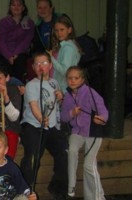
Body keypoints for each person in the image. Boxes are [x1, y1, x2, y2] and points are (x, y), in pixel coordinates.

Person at [20, 51, 68, 199]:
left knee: (63, 154)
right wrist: (41, 119)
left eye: (44, 63)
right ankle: (26, 190)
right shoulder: (31, 85)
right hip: (33, 125)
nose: (41, 66)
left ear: (51, 66)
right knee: (33, 157)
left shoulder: (54, 82)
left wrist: (60, 97)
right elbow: (34, 105)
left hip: (52, 126)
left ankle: (57, 188)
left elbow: (56, 104)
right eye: (37, 64)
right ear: (34, 67)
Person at [61, 66, 108, 200]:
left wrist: (101, 119)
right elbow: (64, 116)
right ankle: (71, 188)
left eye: (76, 78)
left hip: (93, 132)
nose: (73, 81)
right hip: (77, 132)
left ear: (82, 79)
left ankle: (98, 197)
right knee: (72, 151)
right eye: (70, 78)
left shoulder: (90, 92)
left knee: (88, 165)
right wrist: (72, 113)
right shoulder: (68, 95)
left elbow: (102, 110)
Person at [0, 0, 35, 83]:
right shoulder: (3, 22)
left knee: (20, 65)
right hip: (4, 54)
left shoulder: (29, 23)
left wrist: (15, 54)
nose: (16, 7)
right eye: (13, 5)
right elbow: (1, 41)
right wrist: (9, 56)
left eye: (19, 5)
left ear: (23, 7)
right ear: (10, 7)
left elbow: (26, 41)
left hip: (20, 54)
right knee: (3, 69)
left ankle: (18, 90)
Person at [49, 14, 81, 93]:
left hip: (64, 89)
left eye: (62, 29)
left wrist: (51, 58)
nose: (59, 33)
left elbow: (65, 71)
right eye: (56, 30)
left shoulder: (68, 48)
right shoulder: (68, 45)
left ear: (69, 30)